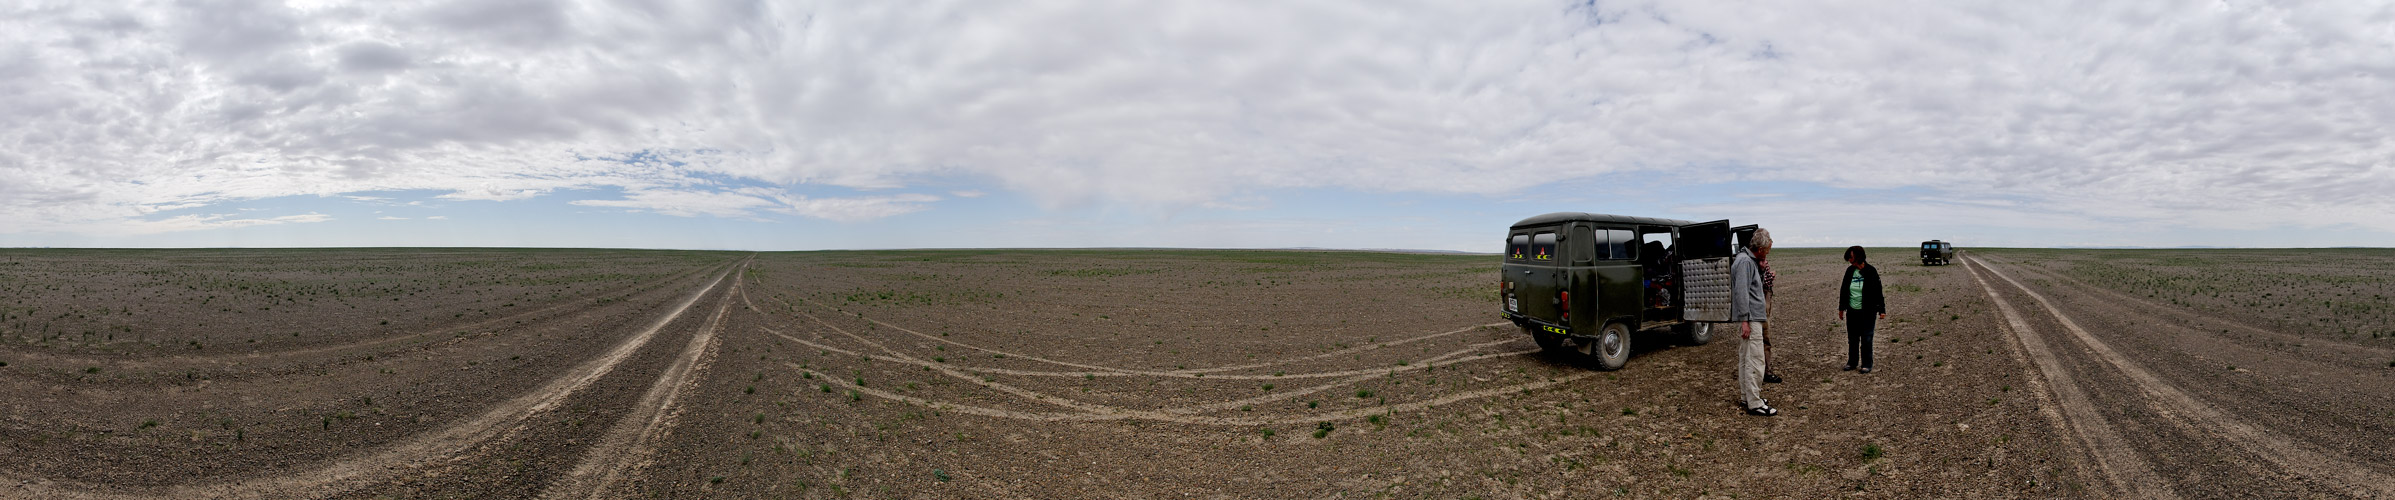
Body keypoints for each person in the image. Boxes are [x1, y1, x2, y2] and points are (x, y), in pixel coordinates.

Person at [1731, 228, 1775, 416]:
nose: (1768, 252)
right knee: (1755, 360)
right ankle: (1754, 403)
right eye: (1767, 249)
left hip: (1751, 318)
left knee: (1746, 358)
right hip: (1751, 319)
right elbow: (1741, 292)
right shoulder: (1744, 262)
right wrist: (1745, 321)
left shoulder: (1746, 260)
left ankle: (1747, 397)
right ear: (1761, 249)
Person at [1837, 245, 1887, 373]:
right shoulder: (1849, 271)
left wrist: (1882, 310)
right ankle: (1852, 362)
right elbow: (1844, 290)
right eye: (1848, 257)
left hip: (1868, 311)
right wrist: (1841, 308)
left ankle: (1867, 364)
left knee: (1867, 338)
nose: (1849, 259)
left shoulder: (1871, 271)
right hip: (1852, 311)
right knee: (1852, 338)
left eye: (1851, 257)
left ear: (1858, 257)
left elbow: (1878, 291)